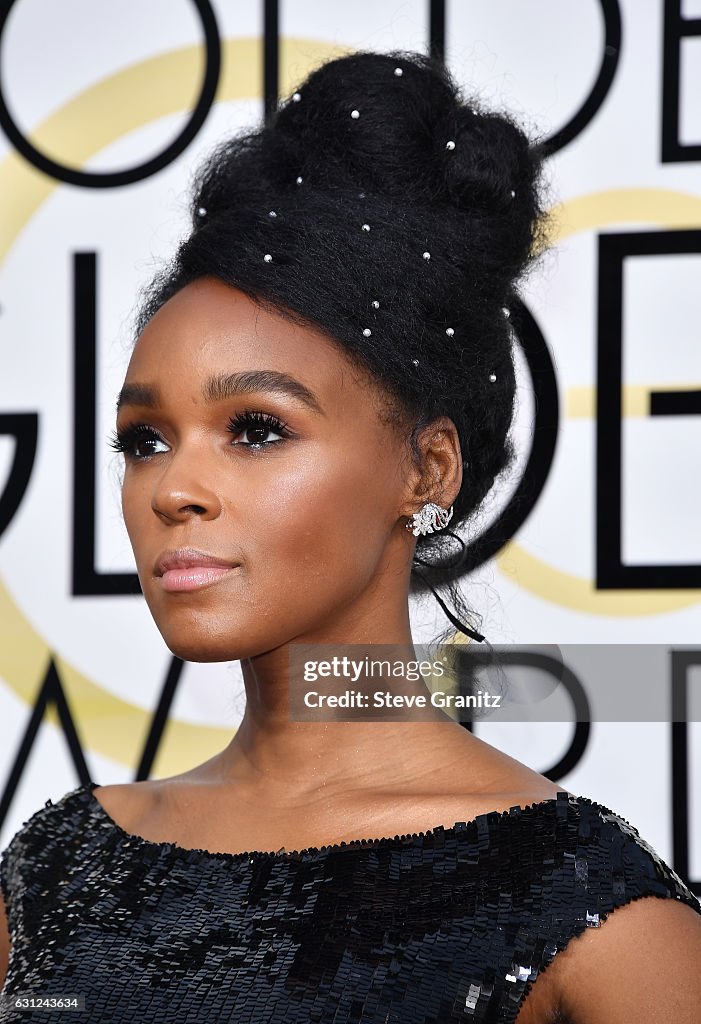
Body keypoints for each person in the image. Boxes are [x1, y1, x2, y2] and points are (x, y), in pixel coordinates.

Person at [1, 49, 700, 1024]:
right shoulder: (51, 876)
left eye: (256, 428)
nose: (173, 489)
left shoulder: (589, 914)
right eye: (144, 439)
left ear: (427, 470)